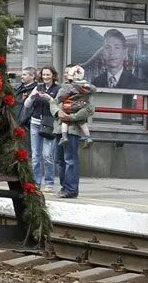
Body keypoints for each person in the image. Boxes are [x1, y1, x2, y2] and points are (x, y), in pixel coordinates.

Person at [54, 65, 95, 199]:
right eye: (65, 72)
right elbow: (53, 103)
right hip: (59, 128)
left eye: (69, 72)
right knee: (59, 160)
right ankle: (64, 187)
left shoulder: (85, 89)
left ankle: (71, 189)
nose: (66, 75)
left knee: (70, 159)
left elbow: (90, 109)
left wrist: (72, 117)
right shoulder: (62, 88)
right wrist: (56, 112)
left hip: (73, 129)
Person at [18, 66, 59, 193]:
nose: (45, 77)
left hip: (49, 124)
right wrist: (32, 97)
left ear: (53, 75)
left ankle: (49, 182)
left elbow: (58, 105)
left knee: (47, 155)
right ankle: (36, 182)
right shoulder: (38, 87)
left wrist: (49, 98)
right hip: (35, 123)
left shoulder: (58, 88)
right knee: (35, 155)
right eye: (44, 75)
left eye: (48, 75)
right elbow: (26, 105)